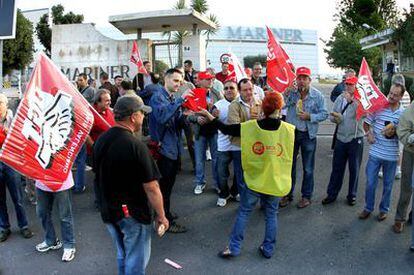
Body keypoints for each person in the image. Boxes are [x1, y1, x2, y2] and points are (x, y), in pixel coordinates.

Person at [198, 92, 295, 259]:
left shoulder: (250, 127)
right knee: (272, 214)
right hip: (275, 181)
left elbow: (226, 129)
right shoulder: (289, 130)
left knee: (244, 212)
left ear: (264, 106)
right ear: (280, 108)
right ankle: (268, 248)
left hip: (254, 180)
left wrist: (209, 115)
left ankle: (234, 247)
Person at [93, 95, 168, 275]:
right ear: (134, 116)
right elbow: (152, 187)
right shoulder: (135, 145)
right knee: (135, 257)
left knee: (123, 254)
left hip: (109, 209)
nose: (144, 116)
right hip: (131, 212)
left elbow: (98, 173)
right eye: (142, 113)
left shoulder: (101, 140)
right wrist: (161, 215)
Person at [149, 68, 194, 233]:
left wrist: (189, 116)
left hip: (173, 148)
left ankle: (164, 213)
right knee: (164, 187)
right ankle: (163, 220)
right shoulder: (157, 97)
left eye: (180, 81)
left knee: (168, 186)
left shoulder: (171, 97)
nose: (178, 84)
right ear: (165, 79)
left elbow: (176, 121)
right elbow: (162, 117)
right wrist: (180, 101)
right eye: (176, 81)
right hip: (163, 150)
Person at [280, 66, 328, 208]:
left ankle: (306, 196)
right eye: (299, 78)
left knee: (308, 168)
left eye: (304, 78)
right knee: (289, 166)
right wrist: (285, 93)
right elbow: (282, 105)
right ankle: (287, 194)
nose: (301, 81)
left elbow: (324, 113)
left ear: (309, 80)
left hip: (308, 134)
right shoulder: (292, 93)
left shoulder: (317, 95)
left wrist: (310, 116)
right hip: (292, 133)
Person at [359, 83, 405, 221]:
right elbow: (366, 123)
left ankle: (384, 210)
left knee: (388, 186)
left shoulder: (403, 113)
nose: (391, 96)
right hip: (375, 153)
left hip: (391, 156)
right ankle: (368, 208)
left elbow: (405, 133)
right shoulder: (378, 106)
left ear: (401, 97)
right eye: (390, 93)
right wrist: (369, 134)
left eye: (395, 95)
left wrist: (394, 133)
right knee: (371, 183)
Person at [322, 76, 364, 206]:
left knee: (354, 168)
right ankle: (332, 194)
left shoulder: (361, 100)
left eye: (351, 84)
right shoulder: (340, 98)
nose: (348, 87)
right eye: (347, 84)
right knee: (337, 168)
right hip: (340, 137)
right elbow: (332, 115)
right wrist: (336, 118)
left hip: (355, 138)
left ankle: (352, 195)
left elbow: (364, 114)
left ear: (356, 86)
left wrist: (352, 101)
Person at [0, 94, 33, 242]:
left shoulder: (13, 120)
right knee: (0, 199)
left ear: (6, 105)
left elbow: (23, 139)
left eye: (0, 103)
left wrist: (10, 136)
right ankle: (4, 227)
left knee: (17, 197)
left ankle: (24, 225)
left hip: (10, 162)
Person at [188, 71, 223, 195]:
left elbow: (222, 110)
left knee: (216, 159)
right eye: (207, 79)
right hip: (199, 132)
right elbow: (187, 115)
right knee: (199, 159)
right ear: (200, 81)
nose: (210, 81)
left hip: (214, 131)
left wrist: (217, 114)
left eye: (211, 79)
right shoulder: (193, 94)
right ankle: (199, 182)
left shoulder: (217, 93)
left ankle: (217, 184)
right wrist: (196, 119)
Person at [227, 78, 262, 196]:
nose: (248, 92)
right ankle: (243, 200)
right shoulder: (234, 105)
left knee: (254, 174)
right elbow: (234, 129)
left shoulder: (260, 102)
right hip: (239, 146)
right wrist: (253, 122)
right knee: (241, 175)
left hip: (255, 145)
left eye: (250, 89)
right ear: (239, 91)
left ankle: (250, 198)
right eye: (245, 90)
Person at [35, 173, 76, 262]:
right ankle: (51, 240)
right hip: (42, 180)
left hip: (61, 181)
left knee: (64, 216)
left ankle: (69, 245)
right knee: (42, 212)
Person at [214, 80, 240, 207]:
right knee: (221, 173)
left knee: (238, 172)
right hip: (223, 145)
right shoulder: (217, 105)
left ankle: (235, 192)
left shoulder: (242, 104)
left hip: (238, 145)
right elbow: (212, 123)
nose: (229, 90)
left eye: (232, 88)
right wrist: (212, 116)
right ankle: (223, 194)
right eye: (226, 88)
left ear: (237, 90)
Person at [393, 99, 414, 233]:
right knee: (406, 186)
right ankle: (400, 218)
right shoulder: (411, 109)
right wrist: (410, 138)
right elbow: (402, 130)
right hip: (411, 152)